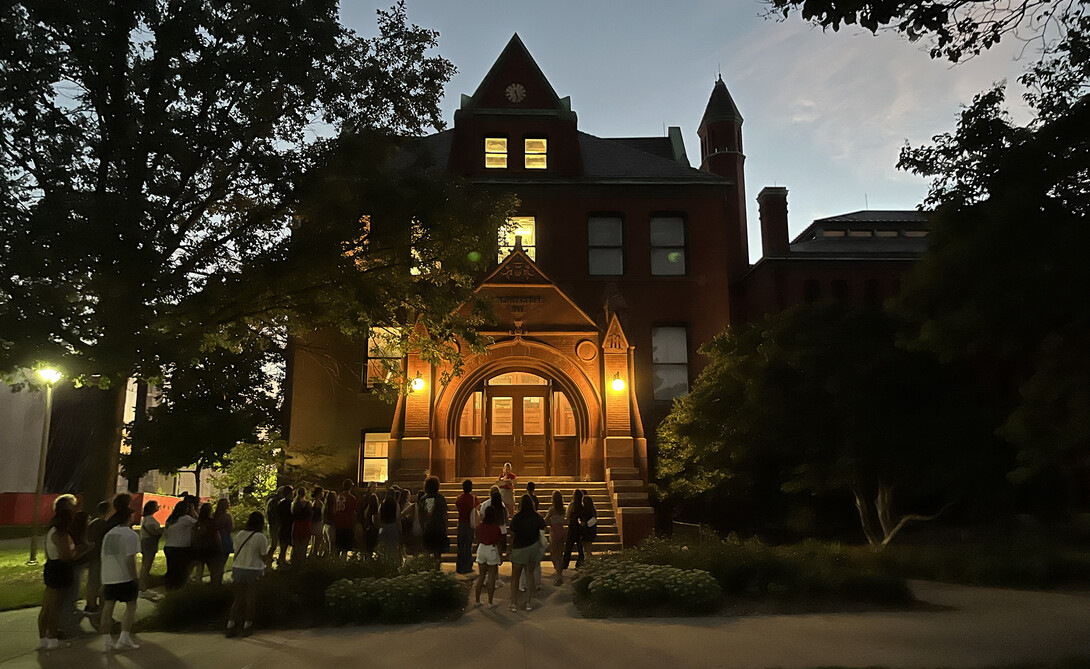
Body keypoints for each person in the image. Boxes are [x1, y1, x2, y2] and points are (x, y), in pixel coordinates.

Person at [37, 507, 81, 651]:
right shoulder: (61, 534)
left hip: (52, 567)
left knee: (48, 604)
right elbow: (66, 556)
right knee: (55, 606)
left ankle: (43, 637)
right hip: (60, 569)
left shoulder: (52, 532)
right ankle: (52, 638)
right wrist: (81, 550)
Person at [99, 504, 140, 652]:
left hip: (109, 576)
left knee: (107, 608)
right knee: (131, 607)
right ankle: (124, 638)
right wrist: (135, 577)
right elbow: (130, 559)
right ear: (129, 518)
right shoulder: (131, 535)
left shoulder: (109, 534)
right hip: (125, 577)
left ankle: (106, 641)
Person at [227, 512, 269, 638]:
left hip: (238, 567)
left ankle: (231, 624)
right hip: (253, 569)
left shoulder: (240, 534)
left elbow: (236, 549)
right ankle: (247, 624)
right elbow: (263, 555)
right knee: (251, 599)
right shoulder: (261, 537)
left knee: (238, 599)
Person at [509, 494, 546, 612]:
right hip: (533, 547)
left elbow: (512, 534)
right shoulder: (537, 516)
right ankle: (529, 602)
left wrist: (509, 548)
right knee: (530, 575)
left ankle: (514, 603)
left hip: (519, 547)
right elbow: (543, 528)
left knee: (515, 577)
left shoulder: (517, 517)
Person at [60, 509, 91, 639]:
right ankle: (66, 627)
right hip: (75, 568)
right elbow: (74, 555)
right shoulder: (76, 536)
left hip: (78, 567)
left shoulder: (81, 534)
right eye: (88, 519)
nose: (90, 521)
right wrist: (87, 549)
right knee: (71, 595)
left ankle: (68, 623)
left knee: (72, 595)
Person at [162, 501, 196, 590]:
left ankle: (169, 587)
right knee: (181, 570)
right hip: (181, 547)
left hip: (169, 546)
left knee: (171, 570)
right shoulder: (185, 519)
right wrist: (193, 511)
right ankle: (178, 588)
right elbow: (198, 522)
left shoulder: (170, 519)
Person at [84, 501, 110, 613]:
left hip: (93, 555)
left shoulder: (93, 523)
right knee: (99, 582)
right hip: (100, 555)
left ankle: (91, 604)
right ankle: (97, 605)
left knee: (92, 581)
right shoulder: (104, 524)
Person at [473, 506, 503, 607]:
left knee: (481, 576)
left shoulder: (480, 526)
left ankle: (477, 600)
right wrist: (500, 554)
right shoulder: (496, 528)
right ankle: (490, 601)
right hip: (492, 549)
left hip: (481, 548)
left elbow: (477, 538)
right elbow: (498, 541)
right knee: (491, 577)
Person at [192, 502, 223, 584]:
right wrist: (220, 546)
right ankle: (214, 584)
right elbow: (216, 534)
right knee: (213, 569)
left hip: (199, 547)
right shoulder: (212, 522)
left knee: (199, 569)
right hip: (211, 547)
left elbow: (193, 534)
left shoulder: (198, 522)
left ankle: (198, 584)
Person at [420, 476, 449, 560]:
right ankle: (437, 568)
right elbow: (444, 514)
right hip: (439, 528)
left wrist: (422, 526)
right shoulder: (440, 498)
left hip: (427, 528)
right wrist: (446, 526)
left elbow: (421, 515)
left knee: (428, 551)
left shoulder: (423, 499)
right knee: (438, 553)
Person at [454, 479, 479, 574]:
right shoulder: (474, 499)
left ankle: (459, 566)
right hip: (469, 524)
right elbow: (477, 509)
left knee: (460, 546)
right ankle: (468, 566)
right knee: (468, 546)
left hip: (461, 523)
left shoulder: (459, 498)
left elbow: (457, 508)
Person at [137, 501, 162, 596]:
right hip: (149, 542)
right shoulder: (150, 520)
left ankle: (141, 585)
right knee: (147, 564)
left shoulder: (145, 519)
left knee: (145, 563)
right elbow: (154, 531)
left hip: (145, 541)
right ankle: (142, 587)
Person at [545, 491, 567, 585]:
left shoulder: (552, 510)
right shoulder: (564, 509)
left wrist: (549, 526)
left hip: (554, 531)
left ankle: (558, 575)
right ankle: (560, 574)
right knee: (560, 554)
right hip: (562, 531)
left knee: (553, 553)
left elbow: (546, 520)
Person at [562, 488, 585, 570]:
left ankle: (565, 564)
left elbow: (567, 515)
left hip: (572, 527)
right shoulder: (582, 506)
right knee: (580, 547)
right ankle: (580, 562)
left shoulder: (572, 505)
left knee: (568, 547)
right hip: (579, 528)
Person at [333, 480, 357, 559]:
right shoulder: (352, 498)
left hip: (339, 523)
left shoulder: (339, 496)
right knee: (345, 548)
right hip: (347, 524)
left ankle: (334, 562)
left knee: (338, 547)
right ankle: (342, 563)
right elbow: (352, 512)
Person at [213, 498, 234, 580]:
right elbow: (232, 528)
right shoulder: (228, 516)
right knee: (223, 561)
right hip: (226, 538)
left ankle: (215, 577)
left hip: (216, 538)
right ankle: (219, 578)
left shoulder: (215, 516)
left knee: (217, 561)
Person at [377, 489, 401, 559]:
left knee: (384, 546)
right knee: (392, 547)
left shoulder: (382, 504)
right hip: (393, 526)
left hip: (384, 526)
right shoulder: (396, 504)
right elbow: (398, 517)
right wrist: (400, 528)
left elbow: (378, 515)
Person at [290, 486, 311, 565]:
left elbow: (292, 514)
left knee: (296, 546)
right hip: (305, 525)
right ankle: (302, 562)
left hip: (296, 525)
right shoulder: (308, 504)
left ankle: (294, 562)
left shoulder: (294, 504)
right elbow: (311, 514)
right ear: (305, 494)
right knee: (304, 546)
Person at [276, 486, 294, 566]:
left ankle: (281, 559)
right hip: (288, 525)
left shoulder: (280, 503)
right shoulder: (291, 503)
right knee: (287, 544)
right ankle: (283, 560)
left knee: (283, 545)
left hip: (282, 525)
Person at [362, 483, 380, 558]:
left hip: (366, 522)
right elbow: (374, 512)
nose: (375, 489)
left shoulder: (365, 497)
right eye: (374, 487)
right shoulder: (373, 497)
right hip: (371, 523)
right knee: (371, 544)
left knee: (367, 545)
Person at [580, 494, 598, 562]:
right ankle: (589, 559)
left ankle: (587, 561)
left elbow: (583, 522)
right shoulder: (593, 510)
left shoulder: (584, 511)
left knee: (585, 547)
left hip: (585, 531)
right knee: (588, 547)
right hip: (592, 530)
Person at [308, 486, 324, 558]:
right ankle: (314, 554)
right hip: (318, 523)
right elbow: (318, 514)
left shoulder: (313, 501)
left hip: (314, 523)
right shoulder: (318, 503)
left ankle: (312, 554)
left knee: (314, 540)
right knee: (317, 540)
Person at [321, 490, 337, 559]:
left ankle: (326, 560)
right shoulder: (333, 509)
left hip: (325, 526)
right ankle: (331, 560)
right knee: (332, 545)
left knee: (327, 544)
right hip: (331, 526)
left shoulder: (325, 507)